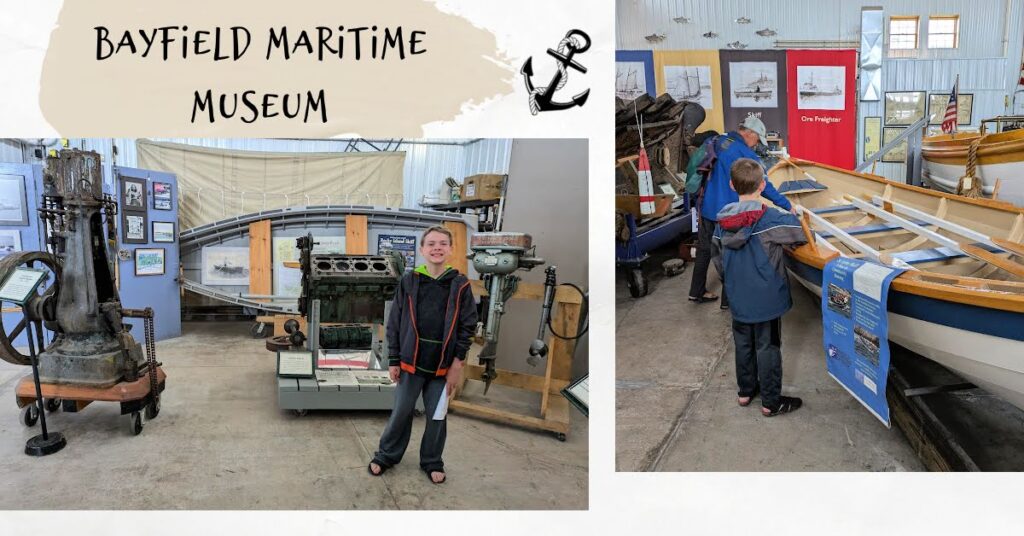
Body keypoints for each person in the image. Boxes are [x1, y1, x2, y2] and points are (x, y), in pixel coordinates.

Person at [368, 225, 477, 484]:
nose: (436, 248)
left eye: (442, 243)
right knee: (401, 412)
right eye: (431, 244)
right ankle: (387, 455)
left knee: (437, 416)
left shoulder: (460, 285)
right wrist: (394, 359)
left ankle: (432, 460)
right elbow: (395, 322)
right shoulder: (409, 281)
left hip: (442, 367)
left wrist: (457, 365)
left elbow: (467, 326)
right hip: (410, 363)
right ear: (422, 250)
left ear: (451, 249)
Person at [712, 158, 807, 416]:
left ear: (732, 185)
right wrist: (794, 214)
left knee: (743, 344)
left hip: (738, 298)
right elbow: (798, 235)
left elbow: (718, 259)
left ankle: (745, 392)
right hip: (767, 299)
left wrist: (732, 283)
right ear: (763, 185)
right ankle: (770, 402)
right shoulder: (772, 219)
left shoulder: (721, 223)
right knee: (768, 347)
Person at [689, 115, 793, 309]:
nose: (756, 145)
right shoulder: (744, 154)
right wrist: (787, 205)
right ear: (750, 133)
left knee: (704, 250)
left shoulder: (720, 140)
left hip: (707, 208)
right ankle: (729, 302)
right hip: (728, 214)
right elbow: (764, 186)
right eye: (757, 139)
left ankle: (696, 292)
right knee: (730, 254)